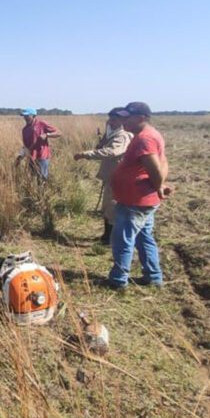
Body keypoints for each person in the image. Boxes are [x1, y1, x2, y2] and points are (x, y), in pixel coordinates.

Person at [105, 101, 173, 290]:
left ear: (141, 118)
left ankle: (118, 280)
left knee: (122, 240)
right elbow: (163, 162)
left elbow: (156, 169)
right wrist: (159, 186)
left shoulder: (145, 139)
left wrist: (159, 185)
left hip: (135, 201)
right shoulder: (150, 135)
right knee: (144, 238)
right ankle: (153, 277)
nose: (123, 121)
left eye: (127, 117)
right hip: (142, 199)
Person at [73, 107, 134, 244]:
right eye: (110, 119)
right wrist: (104, 139)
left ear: (123, 121)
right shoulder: (113, 134)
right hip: (112, 176)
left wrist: (86, 154)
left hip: (118, 178)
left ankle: (110, 239)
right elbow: (105, 148)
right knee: (107, 207)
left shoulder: (122, 136)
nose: (111, 122)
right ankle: (107, 236)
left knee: (111, 208)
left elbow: (112, 151)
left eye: (115, 120)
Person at [15, 107, 62, 179]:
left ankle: (43, 186)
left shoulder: (42, 124)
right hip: (31, 157)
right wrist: (20, 157)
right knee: (32, 178)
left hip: (42, 156)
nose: (25, 118)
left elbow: (59, 133)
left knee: (42, 178)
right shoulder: (25, 130)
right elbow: (26, 146)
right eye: (24, 116)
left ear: (34, 116)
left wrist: (47, 135)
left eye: (27, 116)